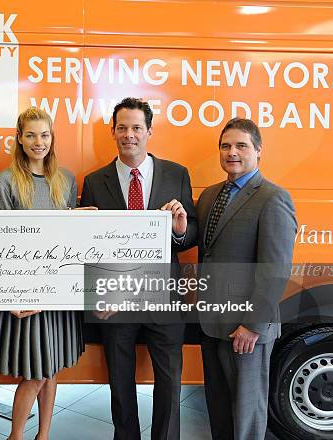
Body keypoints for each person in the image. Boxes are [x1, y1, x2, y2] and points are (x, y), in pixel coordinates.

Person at [79, 97, 197, 440]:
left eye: (136, 128)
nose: (128, 134)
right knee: (119, 381)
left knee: (170, 382)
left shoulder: (177, 174)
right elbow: (88, 246)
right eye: (122, 128)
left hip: (164, 296)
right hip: (115, 300)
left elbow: (189, 235)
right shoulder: (95, 180)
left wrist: (178, 229)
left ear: (149, 131)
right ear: (113, 132)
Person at [196, 118, 296, 440]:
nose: (232, 152)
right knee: (219, 408)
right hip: (211, 322)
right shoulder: (211, 195)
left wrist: (253, 325)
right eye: (226, 146)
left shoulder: (272, 198)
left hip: (246, 328)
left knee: (247, 414)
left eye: (241, 145)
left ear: (258, 151)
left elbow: (275, 268)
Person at [0, 107, 85, 440]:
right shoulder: (5, 182)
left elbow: (70, 239)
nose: (38, 142)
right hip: (27, 296)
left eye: (44, 135)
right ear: (19, 138)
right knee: (36, 371)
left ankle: (43, 435)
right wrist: (13, 295)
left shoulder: (66, 180)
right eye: (30, 134)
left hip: (60, 293)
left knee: (51, 367)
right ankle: (16, 436)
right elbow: (0, 243)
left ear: (52, 138)